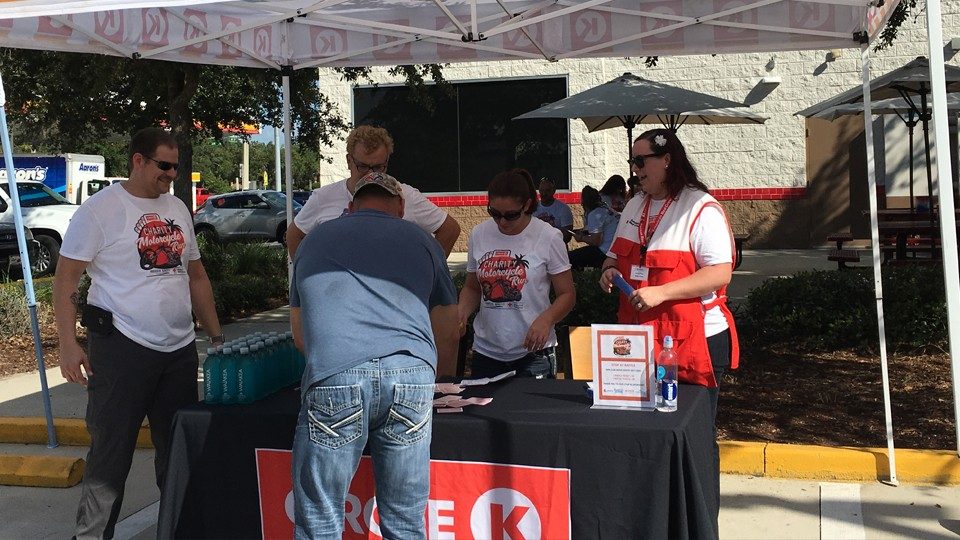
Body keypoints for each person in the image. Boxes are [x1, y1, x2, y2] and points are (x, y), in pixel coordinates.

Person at [53, 127, 223, 539]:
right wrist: (68, 345)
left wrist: (216, 337)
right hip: (121, 349)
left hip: (178, 349)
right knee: (110, 460)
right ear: (138, 160)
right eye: (163, 166)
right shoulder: (99, 210)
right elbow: (64, 282)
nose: (170, 174)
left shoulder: (178, 208)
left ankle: (180, 531)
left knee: (177, 456)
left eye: (176, 167)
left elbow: (195, 276)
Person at [290, 171, 459, 539]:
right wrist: (443, 380)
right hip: (410, 376)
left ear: (350, 208)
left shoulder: (313, 240)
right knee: (404, 519)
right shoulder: (421, 239)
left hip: (337, 375)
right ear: (400, 208)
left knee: (320, 517)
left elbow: (301, 334)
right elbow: (448, 323)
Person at [598, 128, 739, 421]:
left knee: (692, 433)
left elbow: (720, 273)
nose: (634, 170)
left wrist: (661, 292)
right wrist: (609, 271)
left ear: (666, 160)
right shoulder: (634, 205)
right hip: (637, 343)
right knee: (648, 434)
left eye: (640, 161)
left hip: (690, 343)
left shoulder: (699, 207)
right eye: (632, 161)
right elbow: (612, 257)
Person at [458, 169, 575, 379]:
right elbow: (472, 287)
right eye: (494, 213)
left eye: (511, 215)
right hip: (487, 353)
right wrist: (461, 314)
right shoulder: (479, 233)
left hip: (534, 354)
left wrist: (546, 320)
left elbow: (567, 294)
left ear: (528, 205)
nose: (502, 222)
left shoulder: (549, 236)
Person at [285, 125, 461, 258]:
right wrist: (307, 282)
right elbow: (294, 235)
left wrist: (428, 273)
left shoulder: (405, 195)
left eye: (378, 167)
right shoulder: (323, 197)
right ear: (349, 161)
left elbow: (450, 229)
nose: (370, 174)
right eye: (362, 166)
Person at [569, 186, 620, 270]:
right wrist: (583, 232)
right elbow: (599, 229)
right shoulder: (606, 209)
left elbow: (596, 241)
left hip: (604, 252)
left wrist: (581, 238)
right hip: (614, 250)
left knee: (570, 259)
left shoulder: (595, 214)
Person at [533, 176, 574, 243]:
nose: (544, 193)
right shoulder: (533, 208)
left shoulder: (563, 209)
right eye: (541, 190)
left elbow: (567, 236)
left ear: (553, 191)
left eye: (547, 190)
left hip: (556, 248)